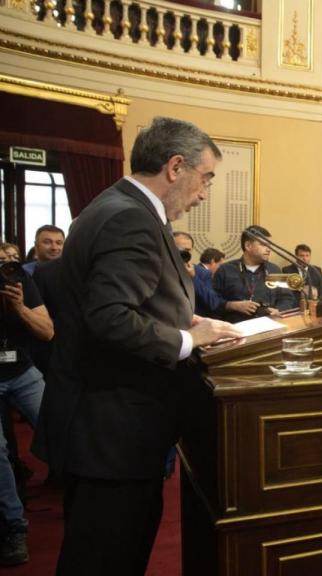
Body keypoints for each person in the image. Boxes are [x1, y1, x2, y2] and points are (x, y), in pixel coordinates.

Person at [33, 117, 241, 574]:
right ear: (175, 166)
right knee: (106, 557)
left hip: (106, 424)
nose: (204, 192)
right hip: (113, 430)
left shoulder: (115, 205)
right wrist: (188, 338)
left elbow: (125, 298)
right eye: (205, 179)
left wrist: (187, 317)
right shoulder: (131, 218)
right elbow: (109, 317)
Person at [0, 257, 53, 564]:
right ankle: (14, 526)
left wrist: (19, 308)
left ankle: (85, 505)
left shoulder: (19, 281)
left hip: (22, 372)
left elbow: (47, 332)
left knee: (59, 428)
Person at [212, 225, 297, 322]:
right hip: (236, 328)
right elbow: (212, 302)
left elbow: (287, 298)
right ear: (248, 246)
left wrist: (278, 310)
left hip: (269, 327)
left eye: (269, 245)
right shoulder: (225, 270)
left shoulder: (274, 269)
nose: (269, 249)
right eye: (263, 244)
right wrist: (232, 305)